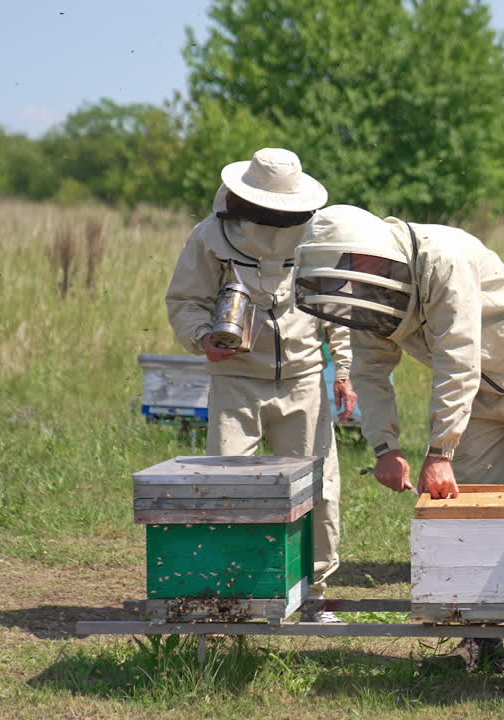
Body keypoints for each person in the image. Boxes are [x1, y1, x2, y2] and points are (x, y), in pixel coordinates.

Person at [294, 204, 504, 666]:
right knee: (475, 512)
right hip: (478, 397)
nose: (353, 278)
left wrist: (439, 452)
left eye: (355, 265)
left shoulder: (442, 256)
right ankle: (482, 639)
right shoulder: (370, 293)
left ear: (371, 249)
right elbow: (371, 371)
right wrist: (386, 447)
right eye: (345, 270)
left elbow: (458, 357)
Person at [165, 148, 354, 622]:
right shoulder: (210, 236)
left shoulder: (319, 236)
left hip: (306, 380)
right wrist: (202, 337)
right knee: (226, 489)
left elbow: (337, 309)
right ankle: (233, 591)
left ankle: (315, 592)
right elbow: (186, 300)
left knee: (319, 487)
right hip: (236, 381)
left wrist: (345, 371)